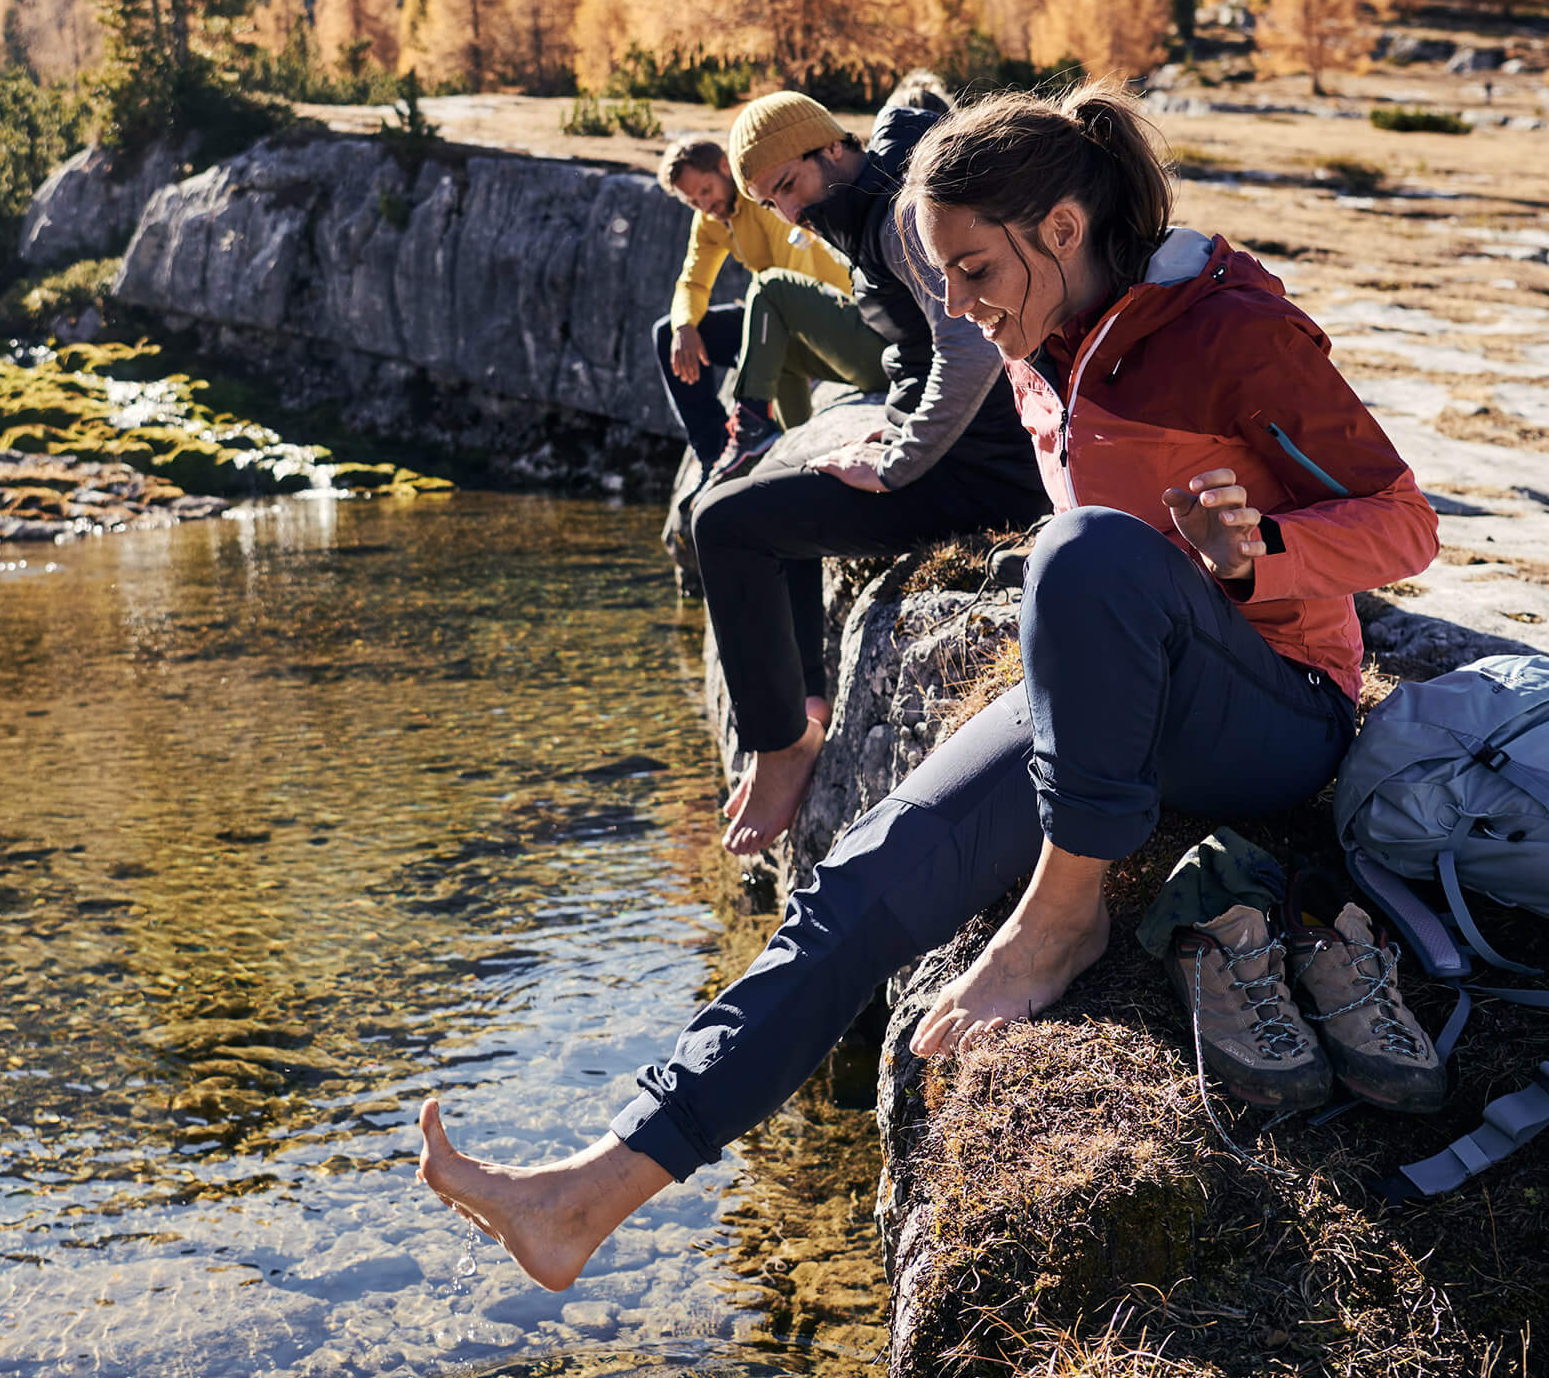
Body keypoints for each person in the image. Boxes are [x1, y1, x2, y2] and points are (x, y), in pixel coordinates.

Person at [417, 82, 1439, 1292]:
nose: (952, 306)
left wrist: (1257, 547)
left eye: (968, 271)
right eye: (938, 276)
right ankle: (587, 1191)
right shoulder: (1037, 343)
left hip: (1273, 705)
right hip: (1114, 694)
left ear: (1061, 227)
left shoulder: (1230, 331)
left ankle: (1059, 920)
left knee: (1087, 549)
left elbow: (1404, 521)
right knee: (862, 874)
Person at [696, 84, 1048, 854]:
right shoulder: (877, 202)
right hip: (967, 455)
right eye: (768, 200)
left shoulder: (898, 216)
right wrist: (886, 432)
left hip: (977, 474)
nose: (787, 213)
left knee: (723, 525)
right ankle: (805, 708)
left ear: (832, 149)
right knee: (773, 487)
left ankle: (783, 743)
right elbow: (921, 355)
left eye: (789, 185)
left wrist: (895, 462)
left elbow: (969, 349)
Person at [653, 135, 853, 487]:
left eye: (705, 190)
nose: (703, 204)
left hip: (826, 318)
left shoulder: (765, 203)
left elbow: (791, 281)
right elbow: (693, 282)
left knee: (767, 302)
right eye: (692, 200)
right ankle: (713, 455)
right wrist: (685, 326)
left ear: (723, 167)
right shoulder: (711, 221)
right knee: (668, 333)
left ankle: (758, 429)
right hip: (772, 316)